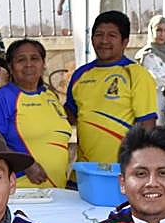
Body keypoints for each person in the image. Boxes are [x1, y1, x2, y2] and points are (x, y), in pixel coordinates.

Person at [65, 10, 158, 164]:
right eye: (99, 35)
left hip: (121, 171)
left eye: (112, 36)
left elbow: (147, 125)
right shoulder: (80, 74)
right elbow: (71, 113)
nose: (104, 41)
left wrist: (138, 166)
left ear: (125, 41)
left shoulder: (137, 74)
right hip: (87, 169)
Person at [0, 38, 72, 188]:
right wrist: (26, 165)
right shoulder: (2, 98)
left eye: (35, 58)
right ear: (10, 66)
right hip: (22, 191)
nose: (28, 64)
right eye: (21, 60)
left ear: (43, 64)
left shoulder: (50, 96)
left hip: (55, 191)